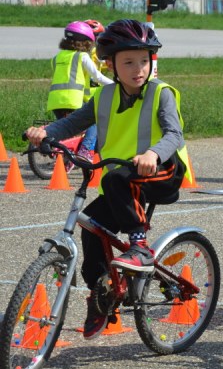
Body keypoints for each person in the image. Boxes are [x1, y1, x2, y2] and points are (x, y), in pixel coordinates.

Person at [26, 19, 190, 340]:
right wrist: (45, 132)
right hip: (123, 181)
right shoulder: (104, 96)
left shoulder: (161, 94)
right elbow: (73, 123)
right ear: (110, 65)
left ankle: (140, 247)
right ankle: (101, 294)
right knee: (91, 226)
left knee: (116, 180)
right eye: (128, 62)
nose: (138, 69)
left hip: (162, 171)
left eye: (144, 61)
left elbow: (174, 134)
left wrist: (153, 153)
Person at [47, 20, 113, 161]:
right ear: (86, 42)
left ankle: (64, 152)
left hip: (55, 101)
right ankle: (86, 150)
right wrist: (116, 84)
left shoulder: (56, 58)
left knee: (66, 128)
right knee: (93, 119)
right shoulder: (82, 56)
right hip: (73, 100)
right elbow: (97, 76)